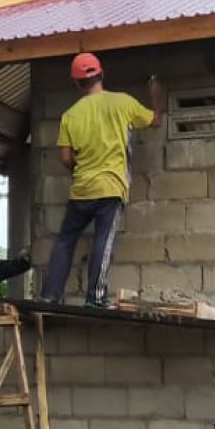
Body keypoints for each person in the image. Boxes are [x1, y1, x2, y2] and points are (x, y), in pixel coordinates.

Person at [40, 52, 164, 308]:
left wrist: (81, 166)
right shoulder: (122, 102)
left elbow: (65, 158)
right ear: (102, 74)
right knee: (103, 240)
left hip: (81, 189)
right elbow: (155, 120)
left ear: (76, 84)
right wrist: (155, 94)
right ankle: (95, 298)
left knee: (65, 240)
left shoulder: (70, 115)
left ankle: (50, 295)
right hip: (110, 187)